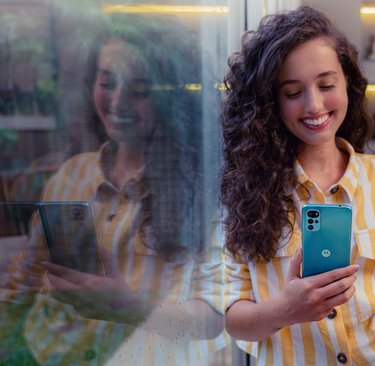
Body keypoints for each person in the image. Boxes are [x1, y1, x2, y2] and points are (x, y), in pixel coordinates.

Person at [221, 6, 375, 365]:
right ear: (270, 103)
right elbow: (234, 318)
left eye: (326, 85)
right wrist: (284, 310)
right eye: (293, 92)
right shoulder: (246, 194)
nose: (314, 104)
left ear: (347, 84)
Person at [0, 13, 224, 365]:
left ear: (175, 97)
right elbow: (25, 281)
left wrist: (131, 307)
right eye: (107, 82)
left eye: (140, 90)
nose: (118, 103)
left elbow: (213, 321)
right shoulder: (72, 175)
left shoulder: (204, 186)